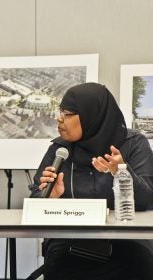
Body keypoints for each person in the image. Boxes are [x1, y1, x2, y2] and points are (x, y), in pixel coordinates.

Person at [30, 82, 153, 280]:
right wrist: (49, 197)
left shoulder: (133, 144)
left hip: (126, 243)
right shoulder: (59, 150)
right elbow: (34, 203)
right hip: (68, 243)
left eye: (68, 114)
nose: (58, 119)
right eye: (60, 111)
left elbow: (146, 201)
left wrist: (121, 173)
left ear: (91, 116)